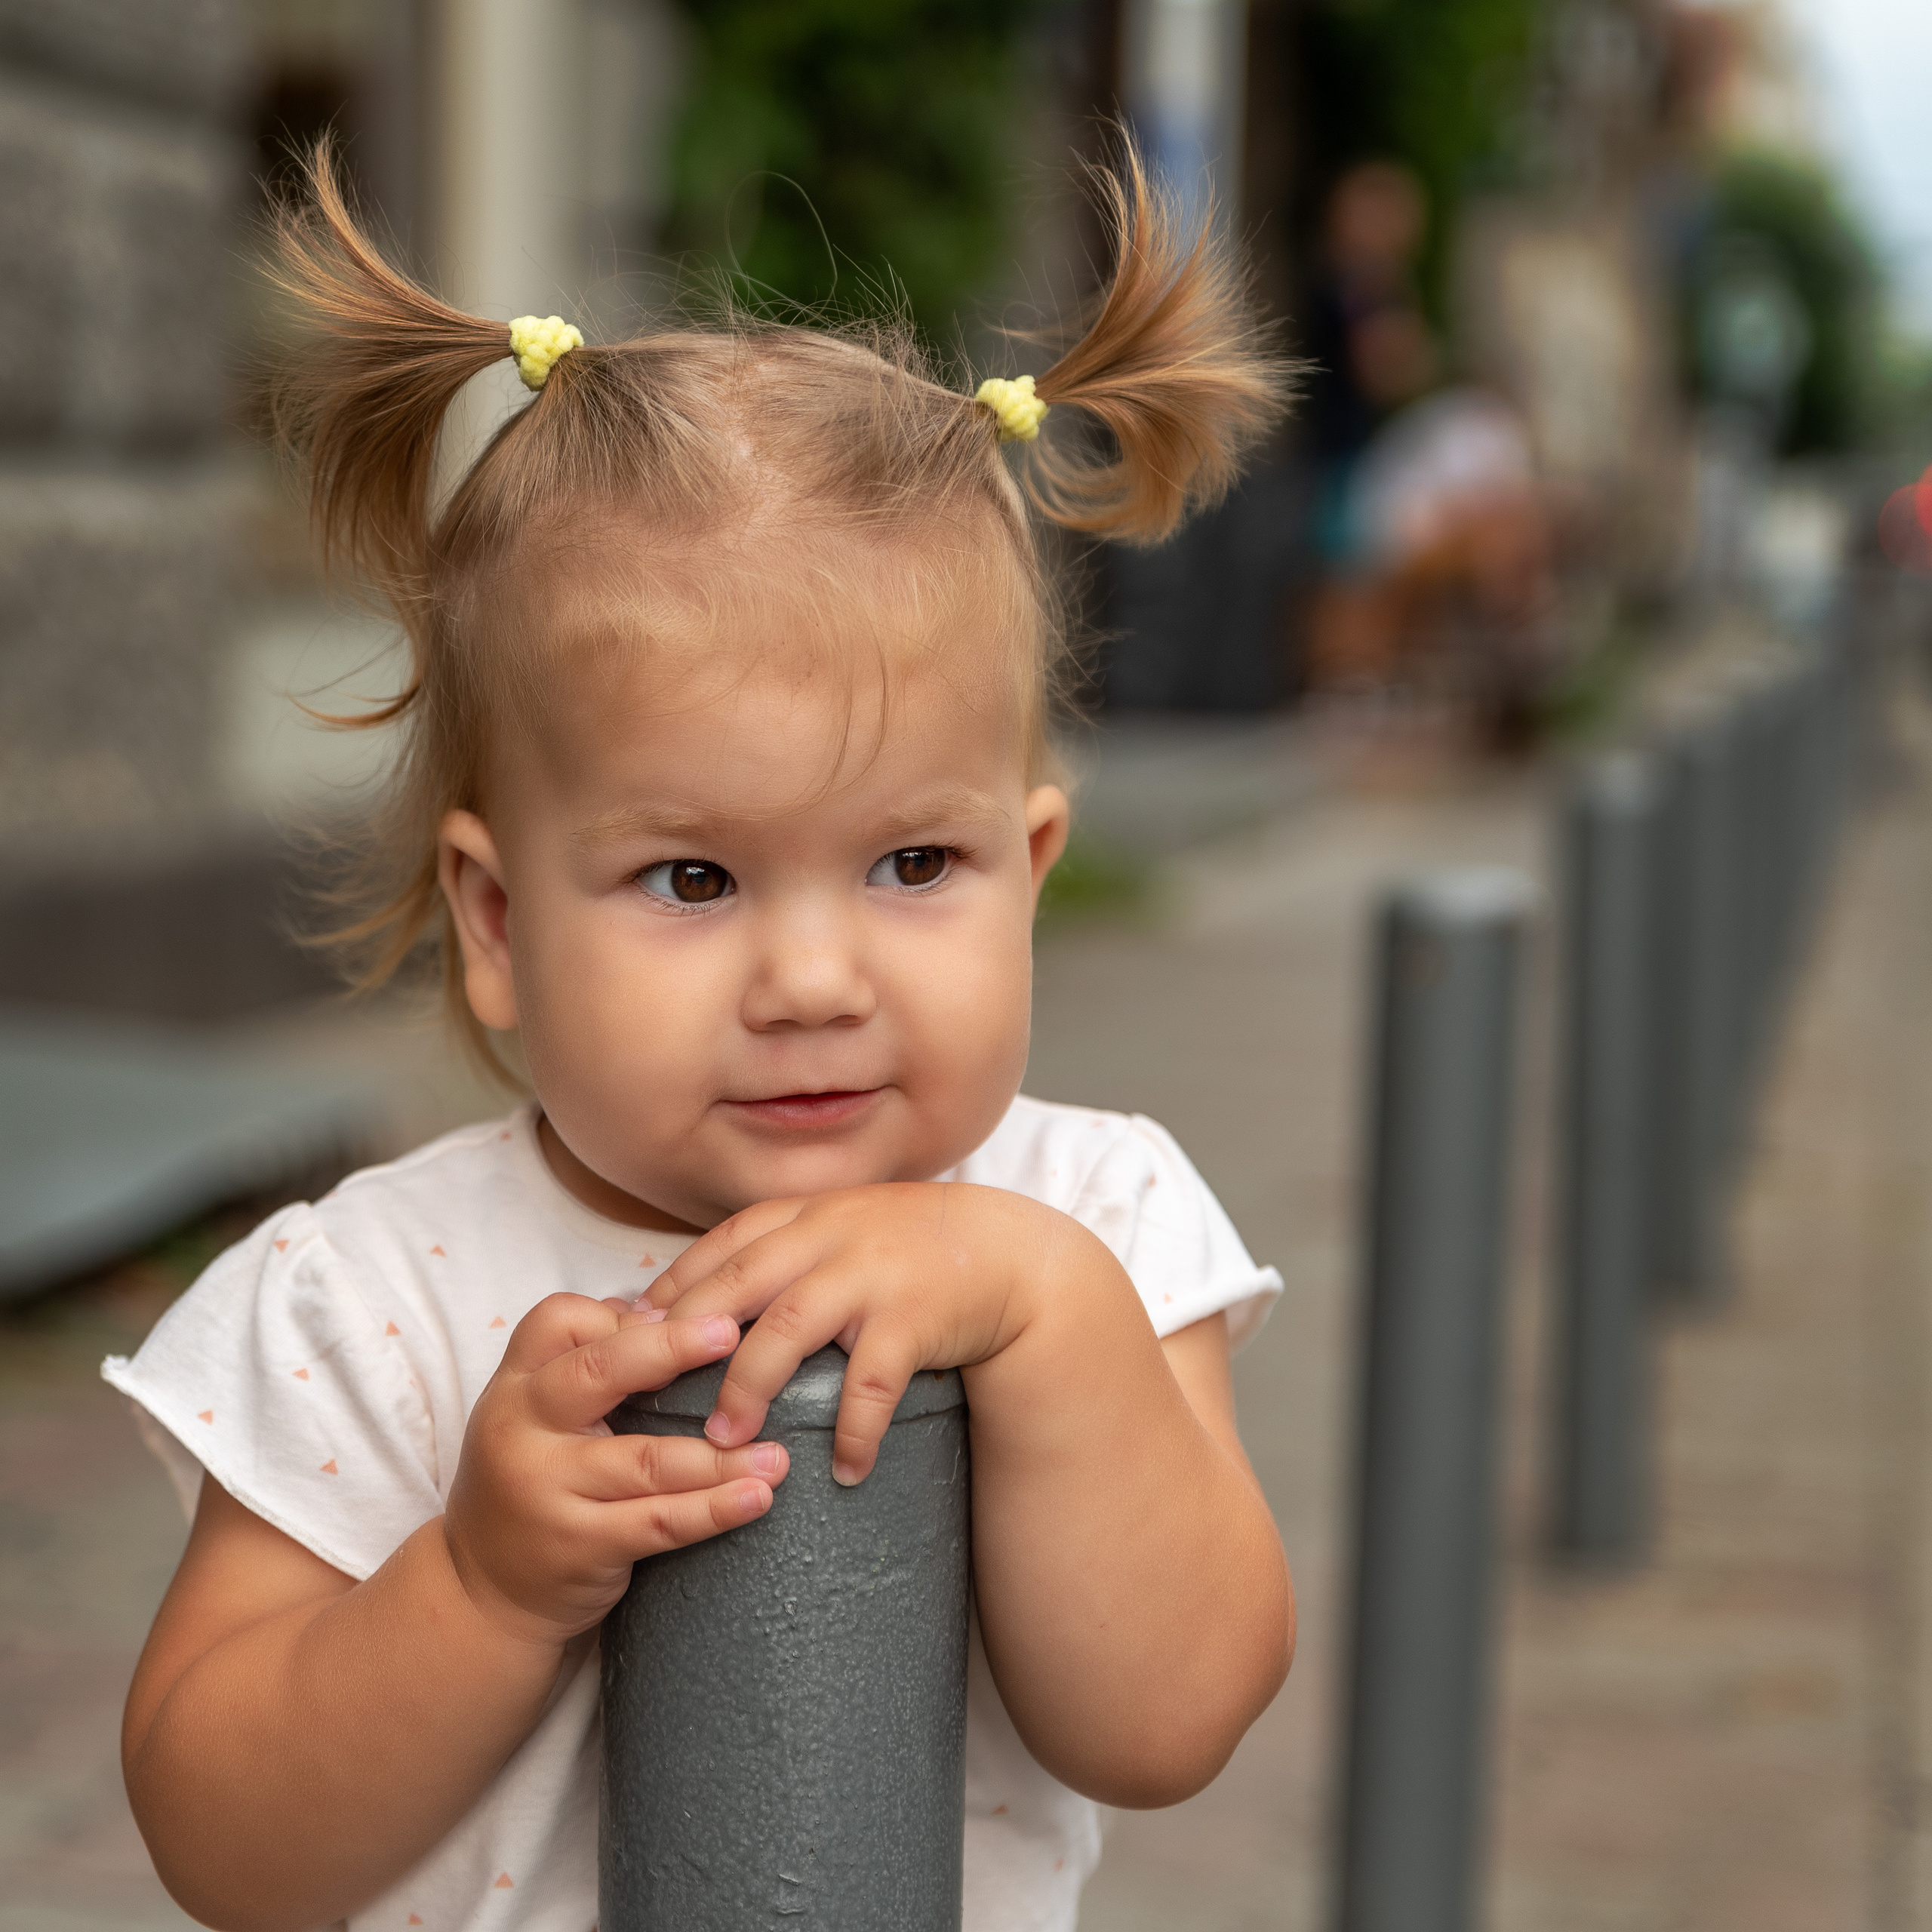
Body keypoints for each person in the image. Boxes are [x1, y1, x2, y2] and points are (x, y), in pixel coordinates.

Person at [105, 137, 1297, 1932]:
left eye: (912, 860)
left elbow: (1171, 1710)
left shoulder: (1091, 1221)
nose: (812, 978)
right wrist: (480, 1588)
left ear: (1030, 867)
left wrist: (1039, 1307)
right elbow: (222, 1843)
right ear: (497, 924)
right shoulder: (375, 1293)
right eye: (689, 877)